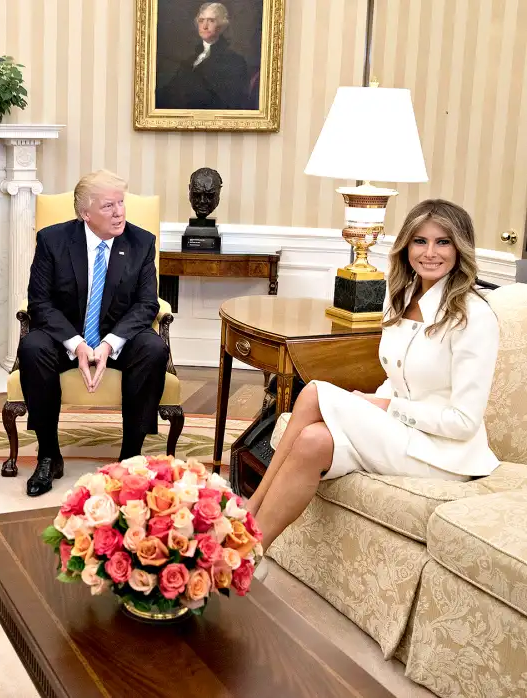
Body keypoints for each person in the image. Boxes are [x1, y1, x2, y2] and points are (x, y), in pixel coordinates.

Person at [247, 200, 500, 576]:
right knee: (313, 442)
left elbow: (463, 421)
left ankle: (246, 514)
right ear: (406, 247)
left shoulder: (472, 315)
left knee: (315, 392)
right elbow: (397, 379)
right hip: (401, 434)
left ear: (460, 247)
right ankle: (252, 555)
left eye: (443, 242)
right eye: (419, 241)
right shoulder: (399, 297)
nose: (430, 253)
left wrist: (384, 408)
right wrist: (371, 405)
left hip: (443, 454)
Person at [18, 170, 169, 497]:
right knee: (32, 346)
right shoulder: (52, 241)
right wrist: (76, 344)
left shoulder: (141, 243)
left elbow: (146, 304)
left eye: (121, 203)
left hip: (116, 337)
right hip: (66, 337)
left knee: (153, 348)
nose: (119, 213)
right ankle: (48, 455)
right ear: (85, 214)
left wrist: (109, 344)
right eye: (108, 206)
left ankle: (130, 457)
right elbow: (39, 303)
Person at [155, 2, 252, 111]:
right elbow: (171, 91)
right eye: (201, 21)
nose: (205, 26)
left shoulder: (234, 61)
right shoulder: (192, 59)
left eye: (211, 20)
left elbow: (229, 102)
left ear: (221, 25)